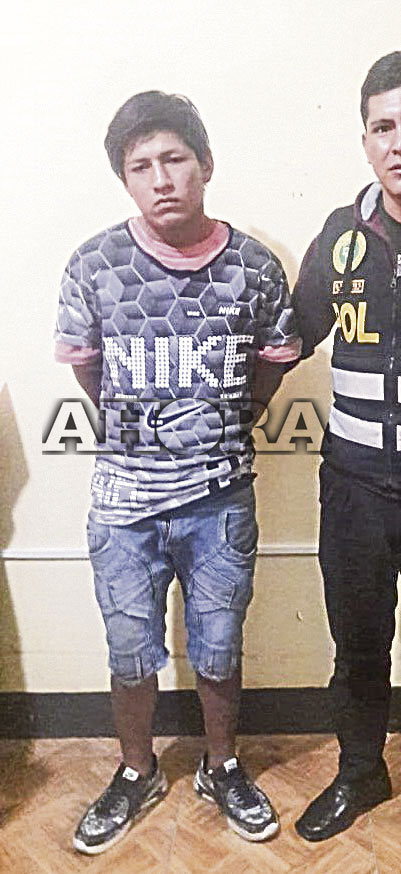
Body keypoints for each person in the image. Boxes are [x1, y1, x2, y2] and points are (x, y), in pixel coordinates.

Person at [55, 90, 301, 854]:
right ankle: (137, 772)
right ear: (124, 178)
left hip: (220, 501)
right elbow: (88, 371)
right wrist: (147, 431)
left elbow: (271, 368)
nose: (160, 179)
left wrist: (217, 426)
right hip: (123, 505)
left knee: (219, 647)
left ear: (205, 165)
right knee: (129, 651)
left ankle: (219, 766)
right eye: (141, 166)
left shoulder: (253, 267)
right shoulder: (94, 264)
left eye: (174, 159)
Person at [291, 51, 401, 842]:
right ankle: (361, 771)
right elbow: (290, 335)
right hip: (357, 484)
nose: (398, 143)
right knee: (358, 645)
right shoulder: (340, 234)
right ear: (364, 140)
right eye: (383, 126)